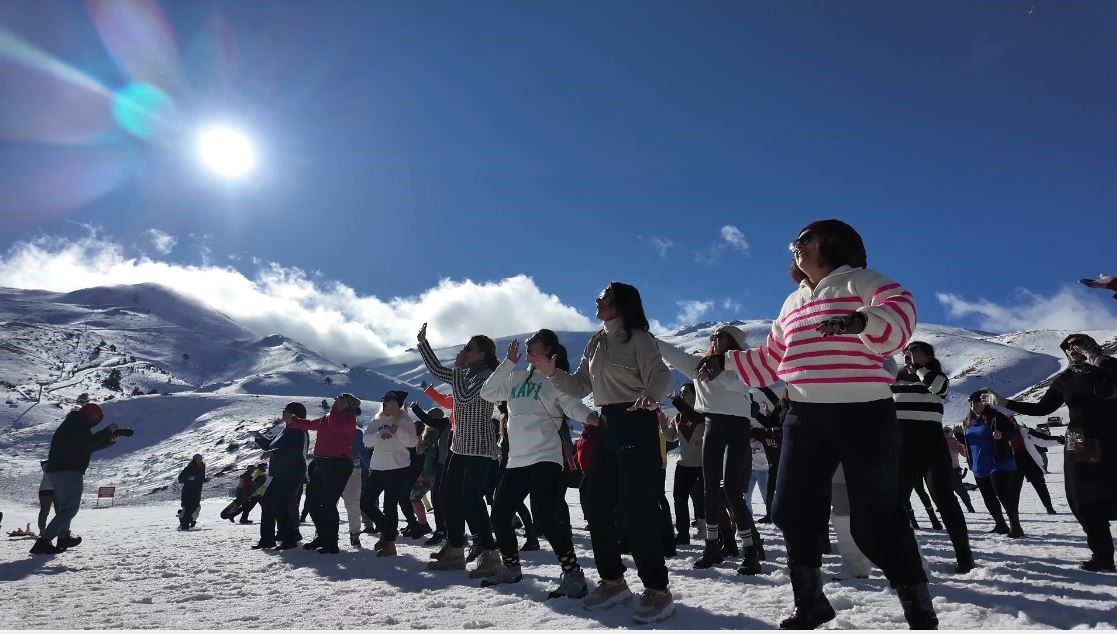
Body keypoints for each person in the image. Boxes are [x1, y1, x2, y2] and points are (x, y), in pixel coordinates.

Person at [697, 220, 935, 629]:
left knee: (874, 521)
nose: (795, 247)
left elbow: (901, 309)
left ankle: (919, 610)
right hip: (805, 416)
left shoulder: (860, 281)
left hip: (865, 414)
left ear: (833, 243)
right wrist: (724, 362)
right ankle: (811, 603)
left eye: (803, 240)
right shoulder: (792, 302)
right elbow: (773, 358)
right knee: (789, 510)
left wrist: (861, 322)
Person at [531, 281, 674, 624]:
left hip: (637, 422)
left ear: (621, 303)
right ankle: (613, 581)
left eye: (605, 297)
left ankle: (658, 590)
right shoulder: (596, 342)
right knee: (595, 503)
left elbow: (660, 373)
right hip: (608, 425)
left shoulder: (640, 339)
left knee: (636, 510)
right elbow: (581, 385)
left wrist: (653, 396)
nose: (598, 300)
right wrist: (551, 372)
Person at [477, 330, 598, 598]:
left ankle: (573, 576)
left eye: (534, 342)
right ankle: (511, 569)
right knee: (499, 515)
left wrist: (594, 419)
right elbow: (488, 392)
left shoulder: (555, 380)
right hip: (516, 460)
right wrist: (508, 362)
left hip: (546, 458)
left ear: (549, 350)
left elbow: (573, 406)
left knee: (546, 517)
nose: (528, 344)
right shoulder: (516, 377)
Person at [986, 334, 1116, 572]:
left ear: (1091, 346)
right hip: (1079, 439)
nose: (1072, 348)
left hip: (1113, 436)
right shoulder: (1065, 380)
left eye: (1078, 344)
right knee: (1082, 498)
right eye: (1067, 347)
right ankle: (1103, 555)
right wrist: (1005, 403)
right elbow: (1042, 408)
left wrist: (1097, 359)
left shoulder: (1109, 368)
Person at [657, 324, 763, 575]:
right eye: (714, 336)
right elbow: (671, 353)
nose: (715, 340)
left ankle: (750, 552)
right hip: (713, 426)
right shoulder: (698, 365)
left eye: (721, 336)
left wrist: (719, 369)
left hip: (738, 428)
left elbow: (741, 385)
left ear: (733, 341)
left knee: (733, 492)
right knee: (710, 490)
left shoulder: (740, 365)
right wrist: (648, 337)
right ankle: (712, 547)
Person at [417, 324, 501, 574]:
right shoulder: (462, 375)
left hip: (481, 448)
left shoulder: (488, 376)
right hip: (459, 446)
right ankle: (455, 548)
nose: (464, 351)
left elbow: (464, 397)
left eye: (469, 348)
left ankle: (489, 553)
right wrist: (423, 343)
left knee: (471, 498)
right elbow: (435, 370)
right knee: (446, 494)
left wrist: (456, 373)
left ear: (481, 354)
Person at [891, 340, 974, 573]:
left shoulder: (937, 377)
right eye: (906, 351)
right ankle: (901, 554)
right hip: (902, 444)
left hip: (931, 443)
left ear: (928, 356)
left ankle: (964, 555)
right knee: (896, 502)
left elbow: (939, 389)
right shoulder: (894, 379)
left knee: (945, 499)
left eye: (914, 350)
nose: (908, 354)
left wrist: (919, 368)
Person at [31, 403, 134, 555]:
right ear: (94, 417)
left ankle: (63, 537)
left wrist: (110, 439)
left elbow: (87, 446)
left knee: (65, 507)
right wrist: (108, 431)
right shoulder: (77, 425)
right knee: (70, 508)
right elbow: (88, 443)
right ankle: (44, 541)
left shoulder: (74, 424)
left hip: (58, 470)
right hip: (68, 470)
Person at [287, 393, 361, 554]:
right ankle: (323, 536)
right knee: (312, 503)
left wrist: (334, 410)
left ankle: (331, 543)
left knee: (328, 504)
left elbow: (334, 426)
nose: (336, 400)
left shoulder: (349, 421)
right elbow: (314, 424)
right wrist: (296, 423)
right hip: (322, 463)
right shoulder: (329, 416)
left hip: (339, 465)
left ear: (348, 404)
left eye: (340, 399)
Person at [361, 390, 420, 556]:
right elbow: (366, 440)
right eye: (386, 402)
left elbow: (413, 441)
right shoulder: (377, 419)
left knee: (389, 506)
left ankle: (389, 543)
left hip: (398, 469)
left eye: (392, 403)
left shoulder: (404, 420)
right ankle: (388, 532)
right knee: (365, 502)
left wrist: (398, 431)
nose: (387, 405)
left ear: (398, 406)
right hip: (378, 468)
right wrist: (380, 434)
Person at [962, 391, 1023, 538]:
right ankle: (1001, 525)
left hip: (999, 463)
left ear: (985, 403)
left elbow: (1014, 433)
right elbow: (971, 443)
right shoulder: (967, 422)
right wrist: (959, 436)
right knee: (988, 497)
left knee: (1002, 494)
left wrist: (1003, 435)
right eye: (971, 403)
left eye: (976, 403)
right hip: (978, 465)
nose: (973, 406)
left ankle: (1016, 526)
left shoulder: (996, 417)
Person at [251, 402, 310, 549]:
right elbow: (272, 445)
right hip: (278, 473)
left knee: (280, 505)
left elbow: (294, 450)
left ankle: (289, 540)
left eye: (286, 411)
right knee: (269, 503)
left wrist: (274, 452)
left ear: (294, 414)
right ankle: (267, 539)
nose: (283, 412)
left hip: (291, 473)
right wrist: (258, 438)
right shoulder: (286, 430)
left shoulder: (298, 430)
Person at [660, 383, 705, 546]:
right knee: (679, 499)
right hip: (685, 464)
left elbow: (711, 433)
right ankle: (683, 534)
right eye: (681, 392)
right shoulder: (678, 417)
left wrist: (704, 440)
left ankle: (716, 531)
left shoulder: (702, 413)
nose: (682, 395)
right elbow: (670, 437)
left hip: (703, 465)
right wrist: (664, 425)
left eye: (685, 392)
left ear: (695, 394)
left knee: (706, 499)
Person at [410, 401, 452, 546]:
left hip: (432, 472)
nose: (430, 420)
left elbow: (432, 452)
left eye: (432, 417)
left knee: (418, 497)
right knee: (436, 501)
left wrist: (415, 407)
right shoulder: (432, 432)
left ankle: (429, 526)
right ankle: (438, 528)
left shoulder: (438, 431)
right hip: (431, 471)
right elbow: (422, 451)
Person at [1010, 424, 1060, 514]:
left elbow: (1042, 440)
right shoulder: (1000, 432)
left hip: (1030, 460)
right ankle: (1013, 510)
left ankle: (1049, 507)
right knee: (1014, 487)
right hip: (1013, 462)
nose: (1011, 422)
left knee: (1040, 485)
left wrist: (1059, 440)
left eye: (1012, 419)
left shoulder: (1025, 431)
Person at [341, 424, 372, 548]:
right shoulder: (357, 433)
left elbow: (361, 452)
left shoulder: (357, 433)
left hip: (339, 468)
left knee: (331, 503)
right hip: (350, 468)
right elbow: (362, 452)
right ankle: (354, 533)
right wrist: (370, 467)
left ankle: (353, 533)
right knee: (353, 503)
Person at [944, 427, 976, 513]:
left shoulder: (955, 442)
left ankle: (969, 506)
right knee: (945, 489)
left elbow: (964, 454)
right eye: (944, 432)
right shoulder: (940, 442)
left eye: (947, 432)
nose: (946, 434)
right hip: (943, 470)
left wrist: (962, 445)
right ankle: (943, 505)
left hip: (954, 469)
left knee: (959, 489)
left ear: (950, 433)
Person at [178, 455, 206, 530]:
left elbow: (200, 479)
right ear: (194, 460)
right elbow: (180, 479)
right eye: (197, 459)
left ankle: (184, 521)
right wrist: (190, 478)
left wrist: (207, 479)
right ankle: (185, 526)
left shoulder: (202, 468)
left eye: (200, 459)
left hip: (197, 492)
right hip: (188, 492)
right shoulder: (189, 468)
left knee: (195, 508)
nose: (199, 460)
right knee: (189, 509)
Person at [37, 460, 55, 534]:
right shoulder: (54, 465)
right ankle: (59, 528)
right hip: (53, 489)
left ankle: (42, 529)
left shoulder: (46, 465)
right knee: (60, 511)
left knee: (44, 511)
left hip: (44, 490)